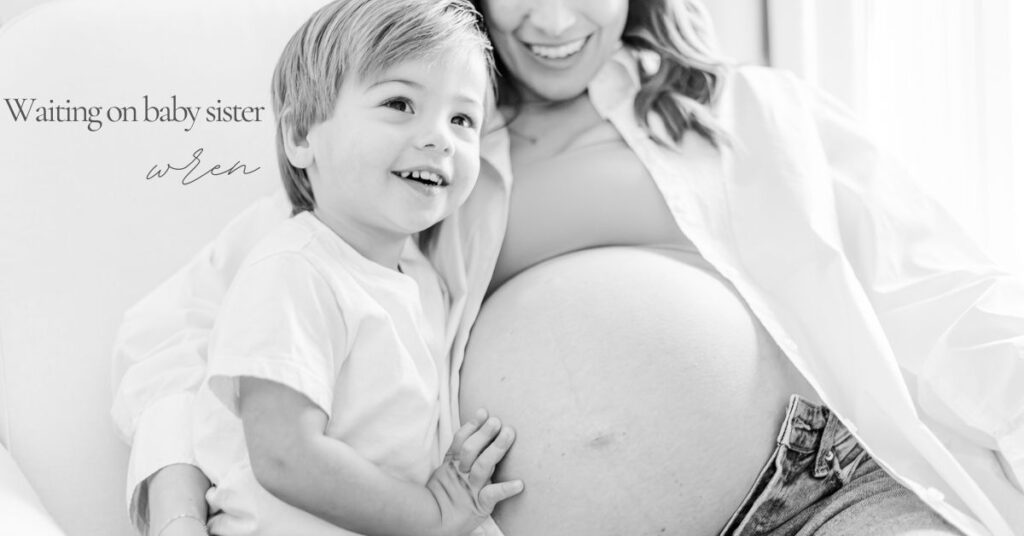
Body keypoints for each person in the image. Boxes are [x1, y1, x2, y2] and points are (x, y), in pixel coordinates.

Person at [112, 0, 1024, 535]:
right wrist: (176, 505)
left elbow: (940, 289)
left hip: (822, 500)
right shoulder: (415, 141)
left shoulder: (750, 109)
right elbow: (186, 328)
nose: (549, 20)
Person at [162, 1, 522, 535]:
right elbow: (286, 454)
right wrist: (433, 513)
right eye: (400, 103)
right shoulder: (294, 270)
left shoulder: (423, 281)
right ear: (302, 137)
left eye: (462, 118)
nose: (439, 137)